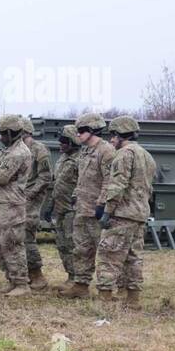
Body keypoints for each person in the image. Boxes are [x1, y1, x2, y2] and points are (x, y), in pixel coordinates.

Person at [96, 116, 156, 309]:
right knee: (134, 258)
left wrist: (107, 211)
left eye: (113, 136)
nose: (111, 140)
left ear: (121, 135)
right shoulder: (147, 156)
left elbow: (117, 186)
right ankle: (132, 300)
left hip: (122, 214)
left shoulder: (123, 155)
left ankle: (104, 299)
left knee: (108, 255)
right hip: (139, 215)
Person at [57, 113, 116, 299]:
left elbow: (110, 181)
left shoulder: (106, 151)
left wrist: (102, 204)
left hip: (97, 211)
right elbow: (81, 179)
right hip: (82, 208)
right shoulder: (85, 151)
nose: (78, 135)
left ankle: (109, 289)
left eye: (81, 131)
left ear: (92, 131)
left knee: (106, 252)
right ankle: (80, 285)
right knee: (81, 250)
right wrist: (75, 196)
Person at [0, 114, 33, 296]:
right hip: (0, 204)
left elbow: (0, 177)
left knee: (11, 244)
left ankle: (22, 283)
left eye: (4, 133)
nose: (1, 137)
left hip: (11, 206)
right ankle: (12, 280)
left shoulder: (19, 153)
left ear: (12, 133)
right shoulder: (5, 152)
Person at [21, 118, 54, 290]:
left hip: (31, 200)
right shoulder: (17, 150)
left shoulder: (39, 150)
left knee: (26, 235)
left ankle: (37, 275)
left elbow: (46, 176)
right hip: (18, 199)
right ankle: (23, 275)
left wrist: (30, 193)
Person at [47, 124, 80, 282]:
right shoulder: (61, 160)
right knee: (62, 244)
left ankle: (77, 277)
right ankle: (70, 275)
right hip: (60, 209)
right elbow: (57, 184)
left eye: (64, 141)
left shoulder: (81, 160)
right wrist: (50, 206)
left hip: (73, 210)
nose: (60, 144)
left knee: (72, 244)